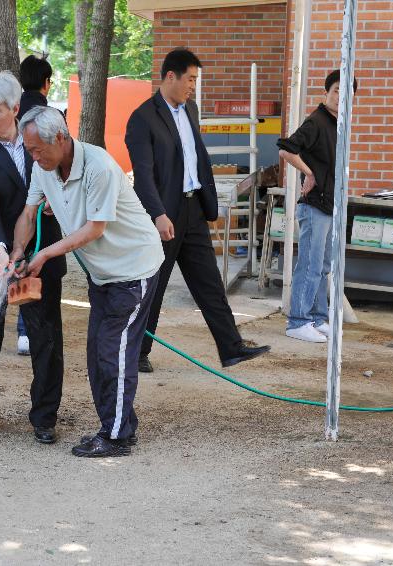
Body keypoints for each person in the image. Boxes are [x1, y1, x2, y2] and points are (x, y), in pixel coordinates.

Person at [12, 106, 164, 458]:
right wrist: (20, 249)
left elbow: (96, 228)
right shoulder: (44, 167)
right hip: (104, 274)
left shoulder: (99, 166)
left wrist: (46, 254)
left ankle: (116, 436)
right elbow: (29, 211)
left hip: (133, 268)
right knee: (99, 352)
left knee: (115, 352)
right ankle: (118, 425)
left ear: (61, 138)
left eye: (38, 149)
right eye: (29, 150)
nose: (34, 157)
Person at [125, 48, 270, 372]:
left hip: (192, 209)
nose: (193, 86)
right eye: (190, 79)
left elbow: (196, 158)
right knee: (154, 285)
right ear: (171, 77)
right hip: (164, 214)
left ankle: (231, 348)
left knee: (209, 282)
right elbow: (143, 175)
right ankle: (137, 352)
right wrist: (158, 215)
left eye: (195, 80)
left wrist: (208, 202)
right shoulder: (143, 118)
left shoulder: (190, 108)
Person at [0, 72, 66, 444]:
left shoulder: (41, 134)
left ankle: (44, 417)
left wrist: (57, 203)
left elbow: (66, 176)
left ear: (15, 110)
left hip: (40, 255)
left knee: (44, 335)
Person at [279, 69, 358, 343]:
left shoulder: (337, 124)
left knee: (324, 267)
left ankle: (317, 318)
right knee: (310, 266)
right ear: (327, 92)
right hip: (314, 207)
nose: (339, 96)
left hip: (329, 207)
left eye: (346, 92)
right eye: (336, 90)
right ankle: (298, 321)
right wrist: (308, 173)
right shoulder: (317, 121)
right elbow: (286, 149)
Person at [14, 54, 55, 355]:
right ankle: (26, 329)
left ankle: (22, 329)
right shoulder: (49, 115)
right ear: (46, 82)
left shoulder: (12, 112)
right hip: (42, 198)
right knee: (37, 260)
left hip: (15, 196)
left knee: (19, 258)